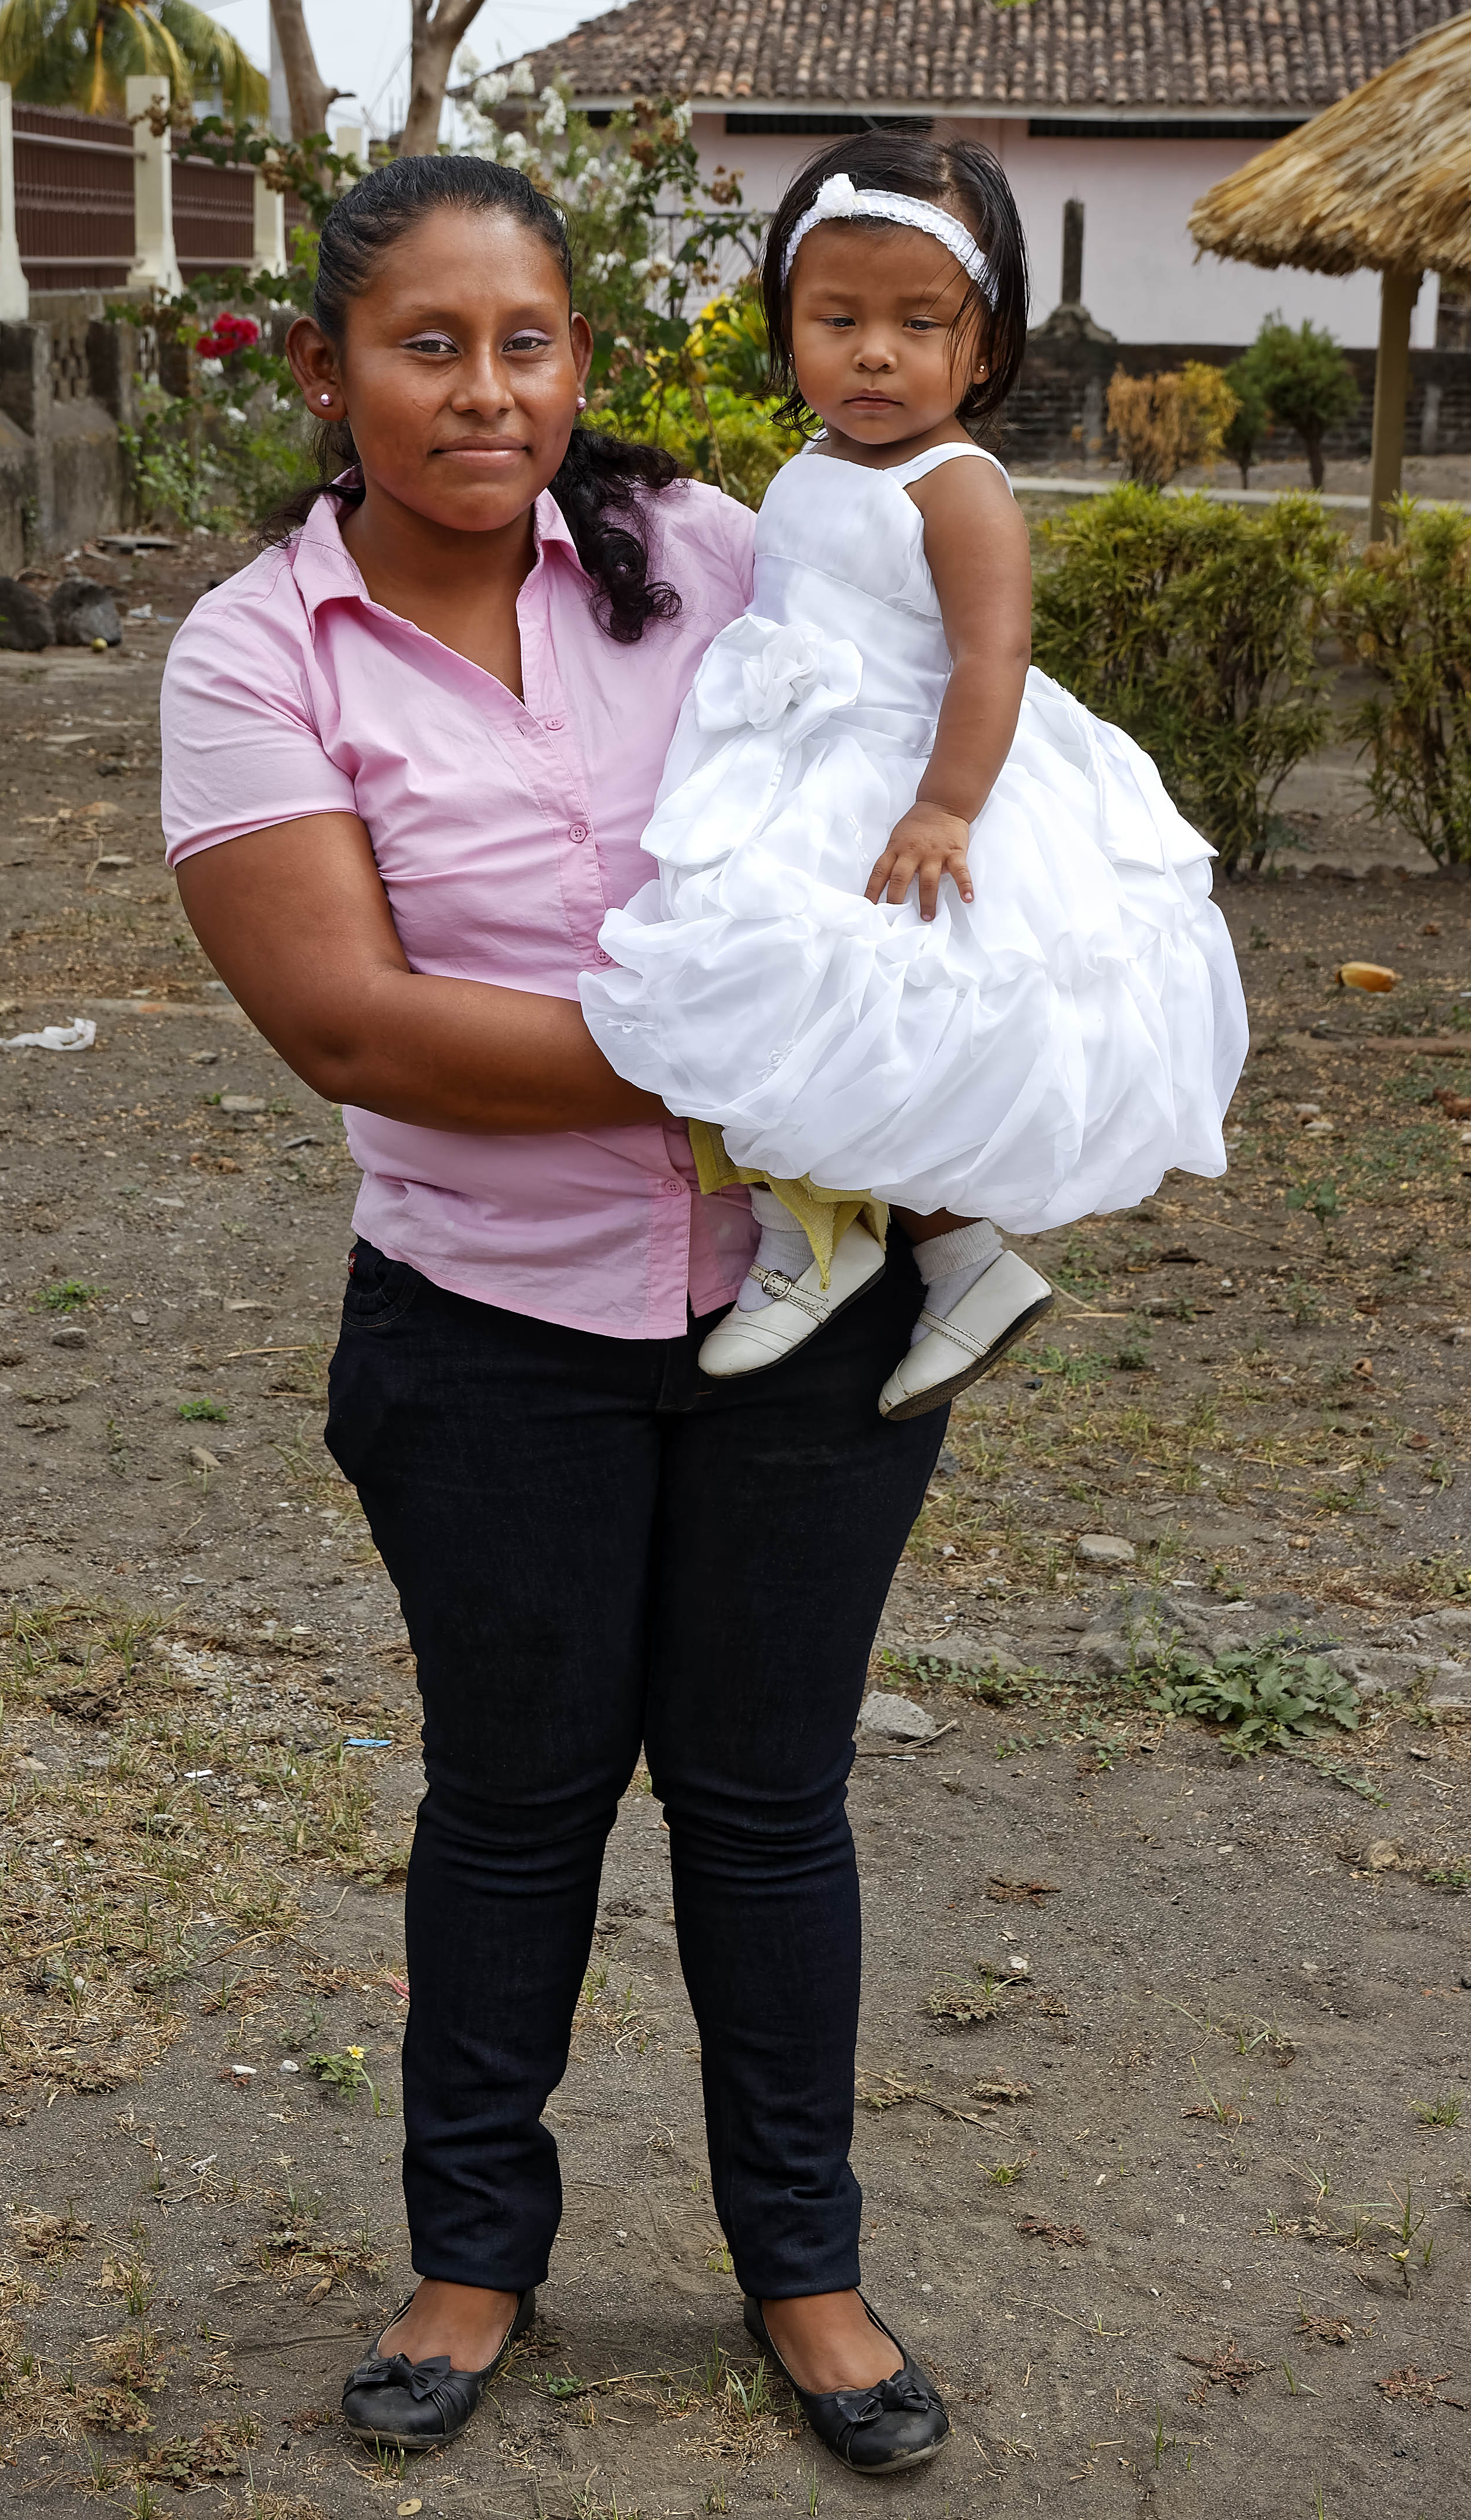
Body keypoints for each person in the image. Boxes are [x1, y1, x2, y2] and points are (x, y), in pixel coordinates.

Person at [160, 155, 953, 2480]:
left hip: (809, 1310)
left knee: (768, 1801)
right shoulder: (260, 655)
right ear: (331, 374)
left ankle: (803, 2268)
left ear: (578, 361)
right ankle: (470, 2256)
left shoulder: (701, 555)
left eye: (525, 342)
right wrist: (756, 1056)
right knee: (512, 1805)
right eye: (426, 345)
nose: (483, 390)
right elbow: (356, 1024)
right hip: (485, 1332)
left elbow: (923, 761)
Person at [580, 134, 1248, 1421]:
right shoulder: (815, 466)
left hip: (905, 778)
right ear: (787, 329)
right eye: (836, 320)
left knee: (865, 1020)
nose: (873, 354)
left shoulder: (958, 489)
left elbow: (994, 657)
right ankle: (915, 1259)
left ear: (983, 347)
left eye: (917, 324)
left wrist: (945, 805)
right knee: (766, 996)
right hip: (791, 767)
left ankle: (848, 1251)